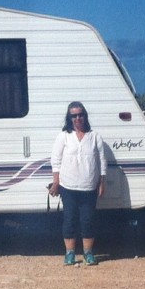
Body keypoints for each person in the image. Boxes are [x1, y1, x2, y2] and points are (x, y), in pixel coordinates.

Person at [48, 101, 109, 266]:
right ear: (69, 118)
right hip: (67, 187)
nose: (77, 118)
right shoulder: (64, 136)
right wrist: (56, 182)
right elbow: (55, 161)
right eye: (74, 115)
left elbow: (102, 161)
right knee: (69, 220)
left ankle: (88, 253)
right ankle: (70, 254)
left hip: (89, 186)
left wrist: (102, 183)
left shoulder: (94, 136)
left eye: (80, 114)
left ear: (85, 116)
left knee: (87, 221)